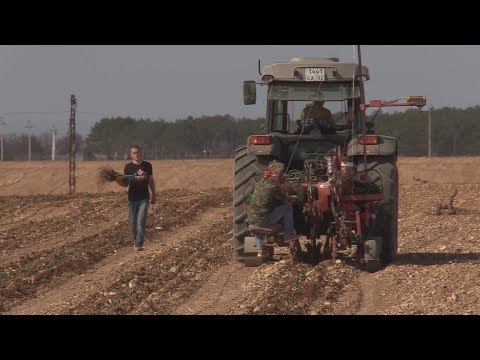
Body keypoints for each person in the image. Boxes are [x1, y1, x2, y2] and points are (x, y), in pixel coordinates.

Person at [246, 160, 298, 258]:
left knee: (260, 214)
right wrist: (295, 197)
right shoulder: (274, 186)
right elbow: (285, 200)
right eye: (281, 173)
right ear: (278, 174)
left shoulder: (261, 182)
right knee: (287, 207)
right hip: (264, 220)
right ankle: (289, 234)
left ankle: (260, 251)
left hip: (251, 220)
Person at [123, 145, 157, 251]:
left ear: (141, 153)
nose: (136, 154)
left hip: (144, 198)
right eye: (134, 153)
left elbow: (151, 181)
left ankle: (139, 243)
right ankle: (136, 240)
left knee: (141, 221)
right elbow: (125, 183)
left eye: (138, 152)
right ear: (131, 155)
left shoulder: (147, 165)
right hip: (132, 198)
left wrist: (154, 194)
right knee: (132, 223)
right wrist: (121, 181)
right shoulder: (128, 167)